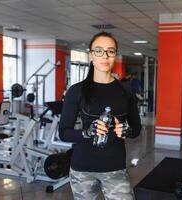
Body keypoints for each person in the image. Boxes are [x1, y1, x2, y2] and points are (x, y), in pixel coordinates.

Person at [59, 31, 142, 200]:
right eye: (99, 51)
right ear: (91, 55)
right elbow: (64, 133)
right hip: (82, 170)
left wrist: (126, 131)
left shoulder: (126, 91)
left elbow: (137, 128)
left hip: (115, 168)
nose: (105, 56)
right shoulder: (76, 91)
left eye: (110, 51)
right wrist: (87, 132)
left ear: (115, 55)